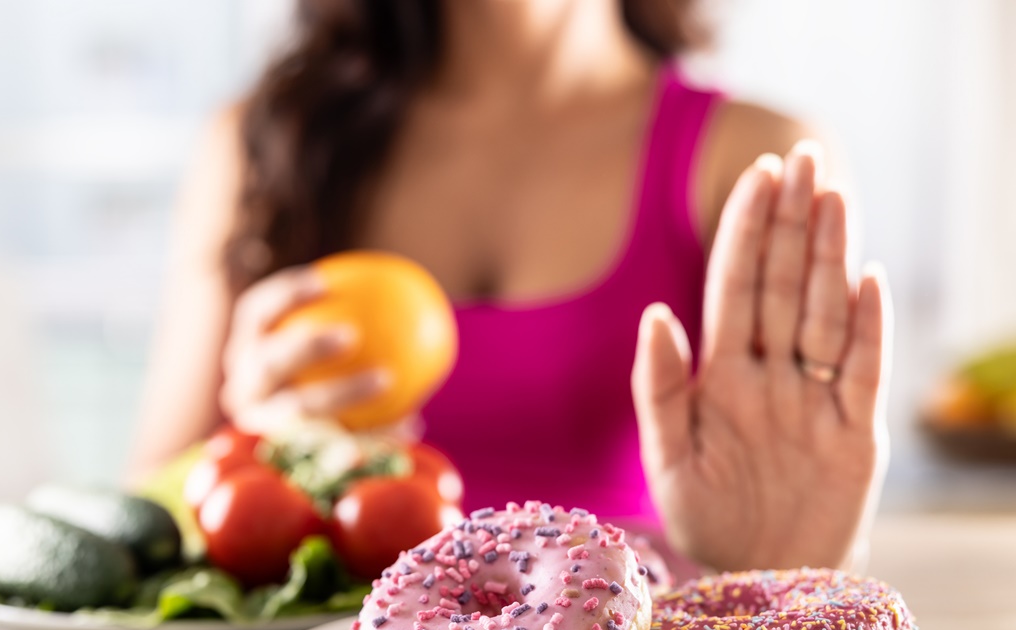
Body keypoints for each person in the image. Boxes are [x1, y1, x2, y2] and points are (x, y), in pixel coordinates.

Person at [129, 0, 891, 573]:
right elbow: (145, 528)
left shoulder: (757, 161)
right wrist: (252, 454)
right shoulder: (261, 147)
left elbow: (797, 532)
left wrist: (790, 568)